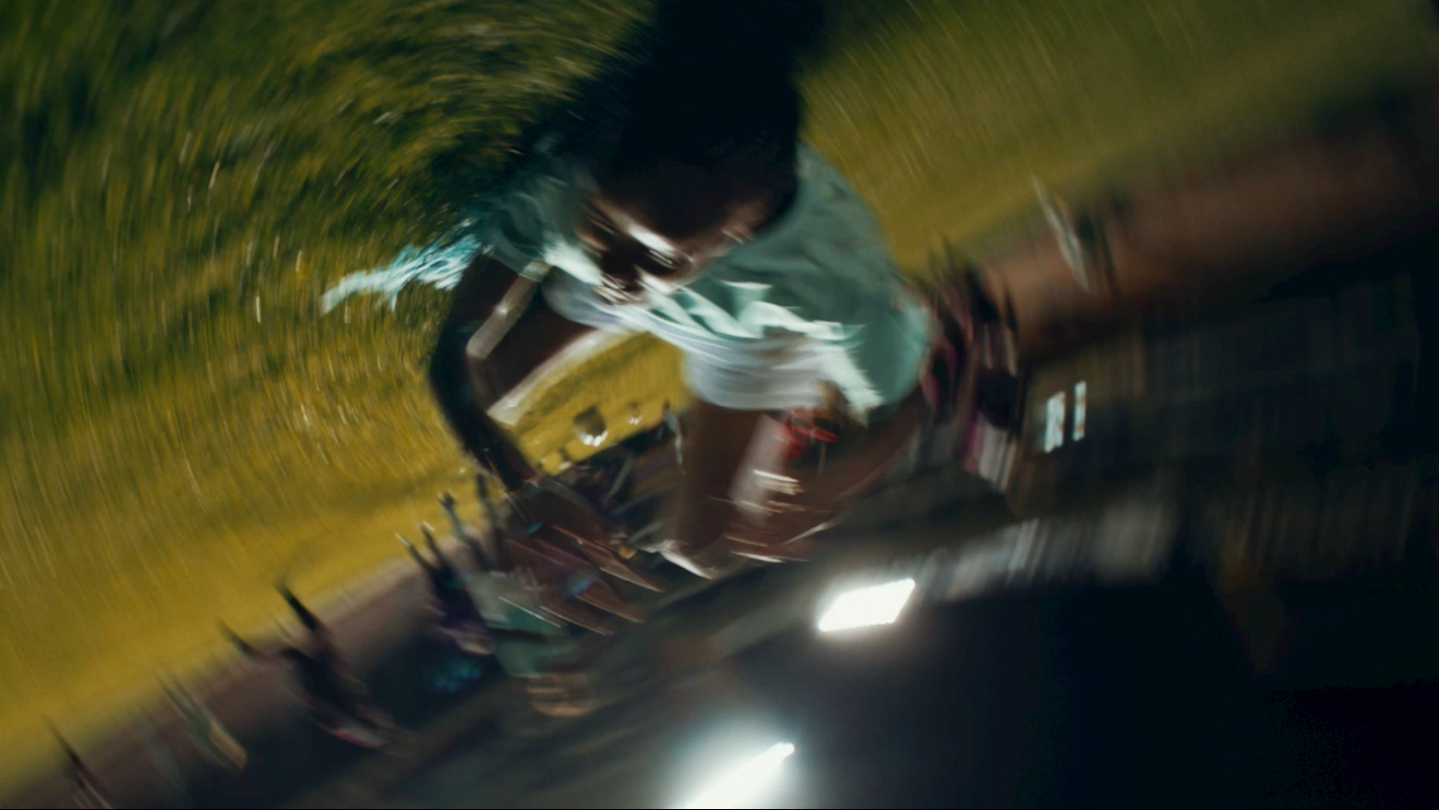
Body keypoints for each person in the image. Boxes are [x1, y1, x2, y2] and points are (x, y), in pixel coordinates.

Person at [323, 0, 941, 578]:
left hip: (750, 336)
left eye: (656, 253)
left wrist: (833, 486)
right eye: (602, 225)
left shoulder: (830, 280)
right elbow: (451, 361)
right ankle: (619, 267)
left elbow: (904, 408)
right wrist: (526, 487)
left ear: (739, 234)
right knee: (489, 392)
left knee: (704, 550)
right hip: (644, 287)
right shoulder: (563, 195)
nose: (617, 274)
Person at [221, 585, 393, 748]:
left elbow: (331, 714)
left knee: (294, 652)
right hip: (328, 672)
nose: (379, 718)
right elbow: (349, 687)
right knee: (317, 635)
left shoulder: (349, 722)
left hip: (320, 683)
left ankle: (249, 651)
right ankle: (288, 597)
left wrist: (315, 700)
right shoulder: (359, 714)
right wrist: (339, 666)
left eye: (378, 723)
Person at [399, 527, 494, 655]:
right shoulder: (472, 629)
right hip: (451, 591)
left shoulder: (467, 632)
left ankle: (416, 537)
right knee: (433, 561)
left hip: (448, 593)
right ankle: (417, 536)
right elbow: (469, 606)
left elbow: (453, 617)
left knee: (432, 562)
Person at [157, 673, 248, 772]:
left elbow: (215, 741)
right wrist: (194, 734)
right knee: (186, 705)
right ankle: (169, 684)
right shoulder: (230, 756)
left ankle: (168, 684)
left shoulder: (229, 756)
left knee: (186, 706)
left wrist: (194, 734)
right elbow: (216, 740)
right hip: (204, 729)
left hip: (204, 729)